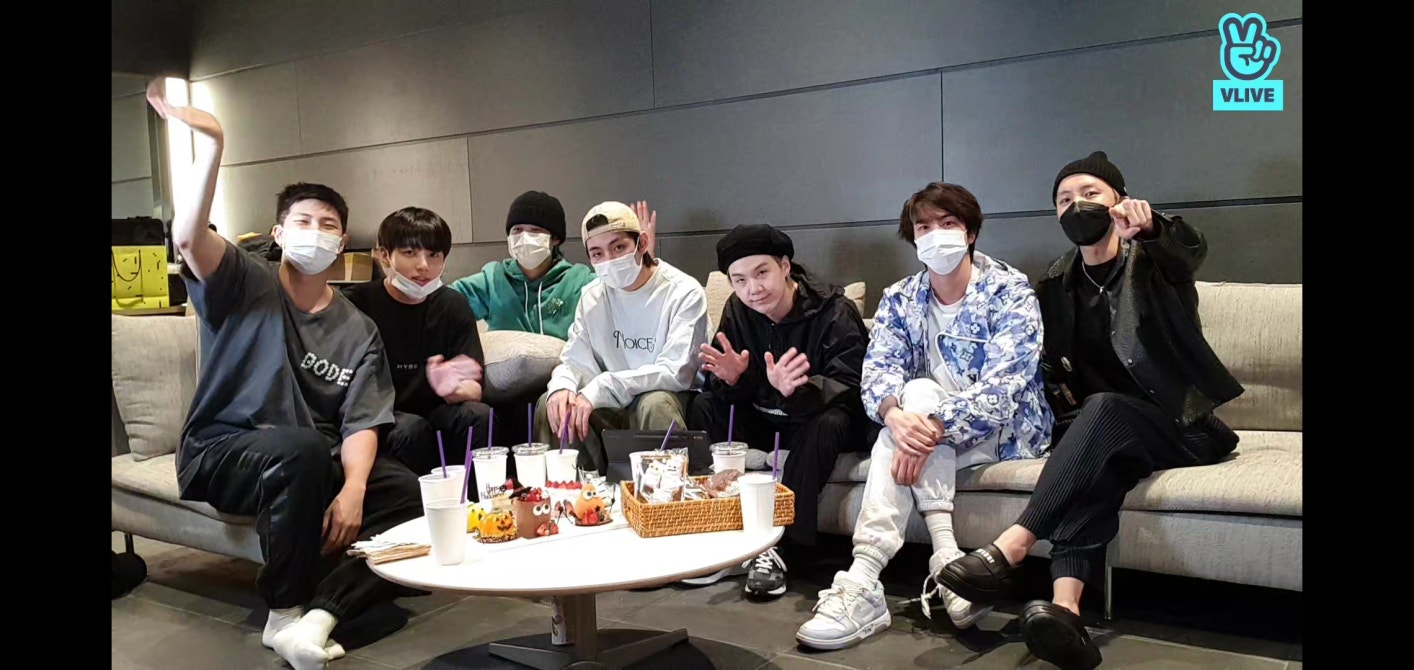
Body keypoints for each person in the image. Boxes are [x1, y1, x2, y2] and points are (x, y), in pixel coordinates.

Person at [147, 81, 423, 670]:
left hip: (308, 459)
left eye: (328, 224)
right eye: (302, 220)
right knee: (301, 449)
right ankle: (285, 610)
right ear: (278, 234)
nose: (315, 231)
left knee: (406, 492)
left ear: (342, 241)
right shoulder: (243, 281)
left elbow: (362, 422)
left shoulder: (357, 328)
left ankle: (320, 616)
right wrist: (212, 146)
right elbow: (188, 236)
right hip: (221, 450)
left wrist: (353, 490)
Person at [932, 152, 1243, 670]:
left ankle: (1011, 547)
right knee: (1100, 465)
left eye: (1090, 193)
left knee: (1104, 411)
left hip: (1183, 427)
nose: (1077, 205)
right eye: (1064, 199)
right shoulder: (1056, 284)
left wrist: (1154, 229)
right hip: (1109, 432)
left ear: (1120, 201)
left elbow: (1188, 252)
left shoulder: (1155, 263)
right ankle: (1066, 611)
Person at [795, 182, 1052, 650]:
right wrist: (894, 416)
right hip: (919, 427)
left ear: (970, 233)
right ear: (913, 238)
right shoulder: (900, 297)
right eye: (924, 227)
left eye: (948, 224)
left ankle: (863, 578)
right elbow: (878, 374)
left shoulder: (1010, 291)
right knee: (911, 396)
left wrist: (929, 425)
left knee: (916, 400)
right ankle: (948, 560)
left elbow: (1004, 389)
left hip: (1003, 430)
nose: (936, 235)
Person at [685, 224, 871, 598]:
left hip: (820, 419)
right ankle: (717, 532)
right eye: (739, 280)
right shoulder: (737, 310)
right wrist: (734, 380)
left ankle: (780, 547)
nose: (752, 289)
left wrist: (799, 389)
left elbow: (853, 387)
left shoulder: (835, 311)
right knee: (705, 406)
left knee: (830, 422)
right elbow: (727, 386)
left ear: (785, 266)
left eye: (762, 273)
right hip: (768, 417)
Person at [536, 201, 709, 474]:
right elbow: (574, 358)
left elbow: (676, 372)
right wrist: (562, 385)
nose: (609, 260)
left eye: (618, 248)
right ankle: (576, 491)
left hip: (667, 399)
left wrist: (603, 386)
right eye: (597, 253)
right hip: (610, 404)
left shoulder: (683, 292)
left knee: (654, 403)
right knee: (554, 403)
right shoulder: (592, 296)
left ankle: (668, 493)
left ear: (642, 243)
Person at [346, 207, 491, 481]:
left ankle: (474, 500)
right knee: (410, 429)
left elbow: (475, 389)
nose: (424, 265)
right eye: (410, 252)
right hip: (385, 415)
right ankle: (420, 503)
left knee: (477, 416)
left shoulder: (453, 305)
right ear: (385, 255)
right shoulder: (358, 304)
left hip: (437, 411)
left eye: (433, 255)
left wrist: (452, 388)